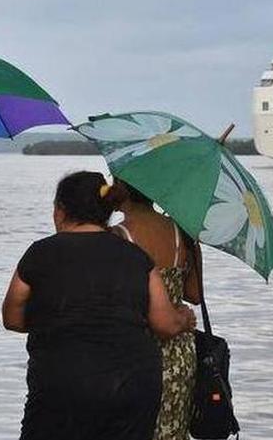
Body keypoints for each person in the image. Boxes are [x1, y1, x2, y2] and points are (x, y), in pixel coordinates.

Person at [2, 171, 197, 440]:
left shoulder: (40, 252)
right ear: (105, 211)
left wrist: (51, 319)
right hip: (132, 386)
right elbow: (164, 323)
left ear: (60, 211)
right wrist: (185, 318)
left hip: (60, 384)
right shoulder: (136, 257)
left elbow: (12, 317)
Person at [111, 179, 201, 440]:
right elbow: (194, 294)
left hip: (134, 351)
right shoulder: (182, 233)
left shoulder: (117, 236)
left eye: (115, 181)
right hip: (179, 350)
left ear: (125, 189)